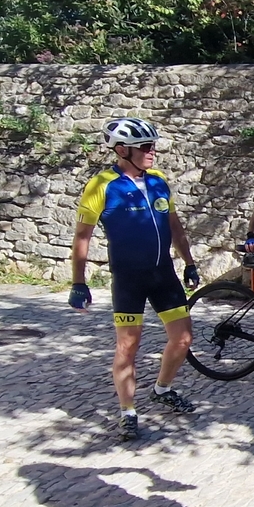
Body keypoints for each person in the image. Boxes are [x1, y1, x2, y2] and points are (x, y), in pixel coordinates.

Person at [69, 117, 200, 442]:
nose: (152, 151)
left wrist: (189, 262)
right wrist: (78, 282)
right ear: (122, 150)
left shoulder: (158, 181)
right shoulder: (102, 185)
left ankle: (162, 389)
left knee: (183, 339)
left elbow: (175, 225)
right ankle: (127, 411)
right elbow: (82, 237)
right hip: (128, 277)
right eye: (145, 147)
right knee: (128, 346)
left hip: (162, 273)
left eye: (153, 146)